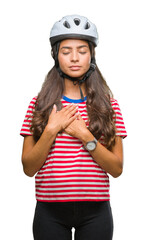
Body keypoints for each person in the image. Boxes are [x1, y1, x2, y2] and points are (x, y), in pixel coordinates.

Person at [20, 15, 127, 240]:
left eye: (82, 51)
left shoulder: (109, 105)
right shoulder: (39, 104)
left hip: (96, 212)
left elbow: (116, 169)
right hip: (49, 211)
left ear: (92, 55)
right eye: (66, 51)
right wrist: (51, 130)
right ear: (56, 56)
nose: (75, 58)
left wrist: (84, 134)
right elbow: (29, 168)